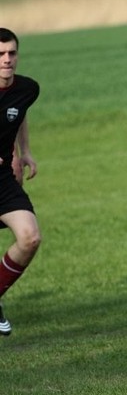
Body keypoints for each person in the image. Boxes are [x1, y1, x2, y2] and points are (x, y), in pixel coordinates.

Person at [0, 28, 42, 336]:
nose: (7, 60)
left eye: (12, 53)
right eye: (1, 55)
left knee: (30, 237)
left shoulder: (27, 88)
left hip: (3, 178)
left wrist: (24, 151)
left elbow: (19, 114)